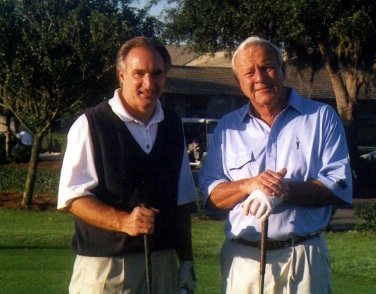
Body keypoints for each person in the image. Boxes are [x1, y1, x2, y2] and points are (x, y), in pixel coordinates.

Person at [199, 36, 352, 294]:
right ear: (239, 83)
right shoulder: (227, 127)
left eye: (267, 67)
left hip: (303, 258)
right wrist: (250, 185)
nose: (259, 78)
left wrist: (283, 191)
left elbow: (337, 187)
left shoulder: (321, 117)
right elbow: (211, 198)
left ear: (282, 71)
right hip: (243, 261)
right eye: (249, 72)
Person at [58, 36, 197, 294]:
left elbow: (182, 200)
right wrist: (123, 222)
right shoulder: (91, 124)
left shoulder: (173, 125)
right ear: (121, 75)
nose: (149, 83)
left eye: (157, 73)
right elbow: (72, 197)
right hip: (106, 268)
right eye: (139, 73)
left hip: (162, 263)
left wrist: (186, 259)